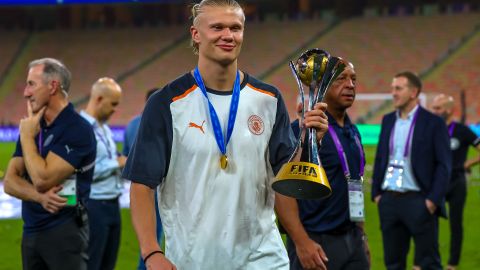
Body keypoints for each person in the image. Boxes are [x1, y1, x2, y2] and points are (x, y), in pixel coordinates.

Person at [121, 0, 329, 269]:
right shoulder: (167, 102)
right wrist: (151, 252)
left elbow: (284, 177)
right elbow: (141, 185)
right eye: (217, 27)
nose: (228, 35)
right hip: (193, 259)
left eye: (236, 28)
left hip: (262, 258)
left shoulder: (268, 99)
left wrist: (309, 141)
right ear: (196, 34)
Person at [4, 58, 96, 270]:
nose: (26, 93)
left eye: (31, 84)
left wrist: (27, 138)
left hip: (64, 232)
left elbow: (42, 179)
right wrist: (39, 198)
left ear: (53, 86)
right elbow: (9, 181)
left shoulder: (77, 129)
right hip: (31, 231)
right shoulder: (34, 125)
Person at [276, 63, 370, 270]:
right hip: (316, 242)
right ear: (321, 86)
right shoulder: (303, 130)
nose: (350, 85)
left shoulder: (353, 131)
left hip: (352, 239)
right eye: (341, 79)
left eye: (353, 79)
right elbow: (283, 193)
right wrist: (302, 243)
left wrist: (361, 235)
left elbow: (354, 184)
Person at [371, 71, 451, 270]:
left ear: (414, 92)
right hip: (389, 201)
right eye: (392, 88)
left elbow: (444, 165)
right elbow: (381, 157)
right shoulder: (388, 119)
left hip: (419, 200)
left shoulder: (433, 123)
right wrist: (377, 195)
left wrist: (432, 201)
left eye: (398, 88)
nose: (393, 93)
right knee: (393, 263)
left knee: (429, 263)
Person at [430, 94, 480, 270]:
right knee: (429, 223)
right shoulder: (431, 129)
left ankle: (453, 264)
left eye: (438, 108)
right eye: (433, 108)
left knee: (456, 224)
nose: (434, 111)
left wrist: (468, 163)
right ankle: (430, 260)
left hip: (457, 182)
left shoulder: (462, 130)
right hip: (436, 182)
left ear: (449, 110)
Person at [80, 77, 125, 270]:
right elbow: (81, 171)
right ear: (98, 98)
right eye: (113, 104)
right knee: (93, 264)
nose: (115, 109)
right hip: (94, 206)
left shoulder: (104, 128)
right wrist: (116, 163)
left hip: (113, 204)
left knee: (108, 264)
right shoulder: (80, 128)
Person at [122, 88, 164, 270]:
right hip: (157, 188)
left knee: (147, 240)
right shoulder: (157, 124)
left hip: (136, 188)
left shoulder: (131, 125)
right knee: (155, 241)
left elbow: (125, 157)